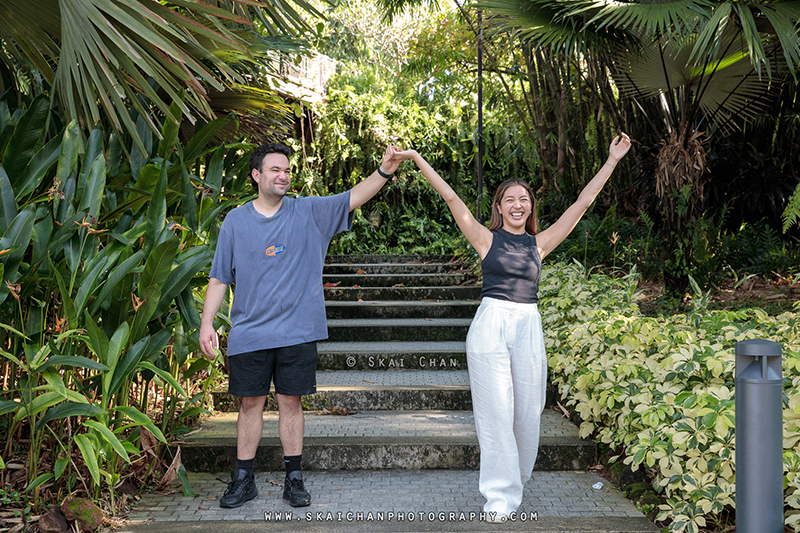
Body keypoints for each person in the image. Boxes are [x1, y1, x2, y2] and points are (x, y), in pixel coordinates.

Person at [392, 134, 632, 522]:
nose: (518, 205)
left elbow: (582, 203)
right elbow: (453, 199)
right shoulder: (486, 240)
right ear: (499, 209)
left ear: (530, 207)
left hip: (527, 326)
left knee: (527, 411)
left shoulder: (540, 245)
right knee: (495, 413)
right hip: (491, 324)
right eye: (510, 200)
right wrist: (417, 157)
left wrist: (612, 161)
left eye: (524, 199)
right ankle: (498, 498)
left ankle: (515, 480)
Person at [199, 143, 401, 509]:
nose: (284, 175)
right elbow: (218, 278)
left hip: (297, 331)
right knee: (249, 405)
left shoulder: (308, 212)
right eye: (275, 169)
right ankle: (243, 479)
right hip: (250, 332)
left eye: (287, 170)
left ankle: (294, 478)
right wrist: (207, 323)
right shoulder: (236, 221)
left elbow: (354, 197)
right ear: (257, 175)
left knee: (290, 403)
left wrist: (385, 169)